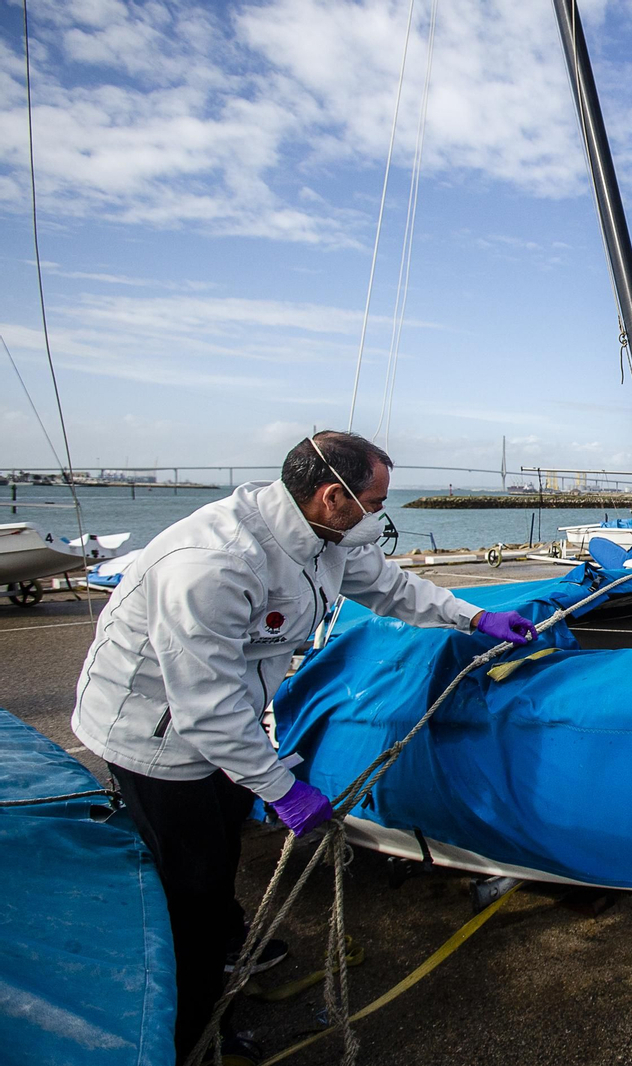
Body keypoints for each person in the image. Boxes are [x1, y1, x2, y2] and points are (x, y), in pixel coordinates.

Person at [71, 432, 535, 1063]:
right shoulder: (212, 565)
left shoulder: (325, 537)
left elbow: (391, 588)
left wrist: (473, 617)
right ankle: (193, 1031)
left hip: (225, 721)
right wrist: (282, 789)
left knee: (225, 840)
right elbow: (205, 708)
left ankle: (228, 943)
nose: (380, 514)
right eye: (375, 501)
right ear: (331, 496)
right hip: (155, 736)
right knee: (191, 881)